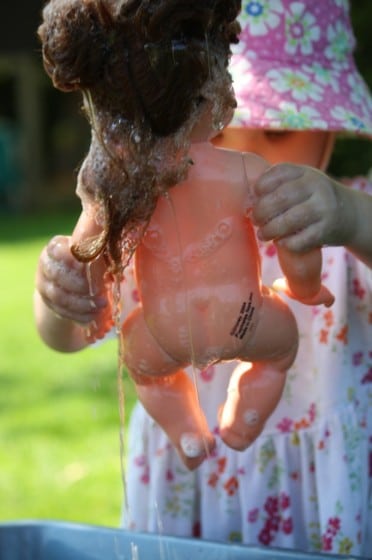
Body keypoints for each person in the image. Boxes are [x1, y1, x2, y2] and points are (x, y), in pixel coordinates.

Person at [33, 0, 372, 556]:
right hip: (184, 493)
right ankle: (184, 425)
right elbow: (67, 336)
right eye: (229, 128)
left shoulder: (346, 223)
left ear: (329, 130)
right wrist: (61, 295)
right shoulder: (146, 203)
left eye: (281, 133)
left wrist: (351, 214)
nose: (249, 150)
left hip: (316, 498)